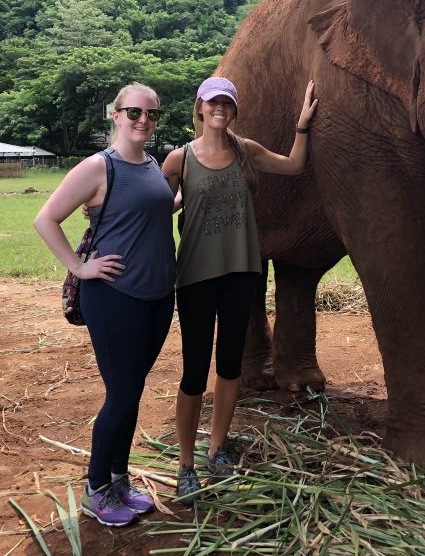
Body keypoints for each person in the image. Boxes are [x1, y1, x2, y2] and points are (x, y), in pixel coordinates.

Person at [162, 76, 317, 504]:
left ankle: (217, 448)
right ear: (199, 107)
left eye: (227, 104)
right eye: (213, 103)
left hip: (241, 274)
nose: (220, 110)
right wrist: (102, 202)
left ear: (233, 111)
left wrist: (302, 126)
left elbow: (294, 165)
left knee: (230, 365)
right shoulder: (179, 160)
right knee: (194, 372)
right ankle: (186, 464)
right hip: (194, 276)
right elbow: (154, 206)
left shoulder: (245, 151)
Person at [33, 83, 176, 527]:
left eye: (151, 114)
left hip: (157, 296)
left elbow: (154, 210)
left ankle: (119, 480)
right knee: (121, 395)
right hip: (115, 298)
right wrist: (80, 267)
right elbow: (45, 219)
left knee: (131, 393)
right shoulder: (98, 167)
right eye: (133, 112)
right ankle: (97, 487)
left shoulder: (153, 165)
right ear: (114, 115)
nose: (143, 120)